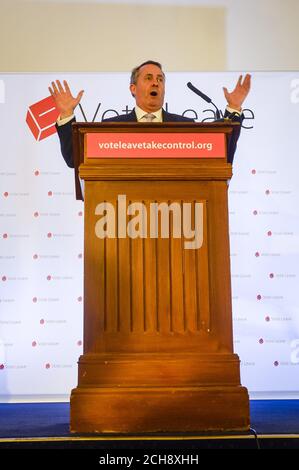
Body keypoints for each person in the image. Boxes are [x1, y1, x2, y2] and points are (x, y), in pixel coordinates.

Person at [49, 60, 251, 168]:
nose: (156, 82)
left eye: (160, 79)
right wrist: (67, 114)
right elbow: (74, 160)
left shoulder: (185, 127)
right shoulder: (112, 127)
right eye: (148, 78)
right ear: (133, 88)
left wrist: (233, 110)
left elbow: (222, 156)